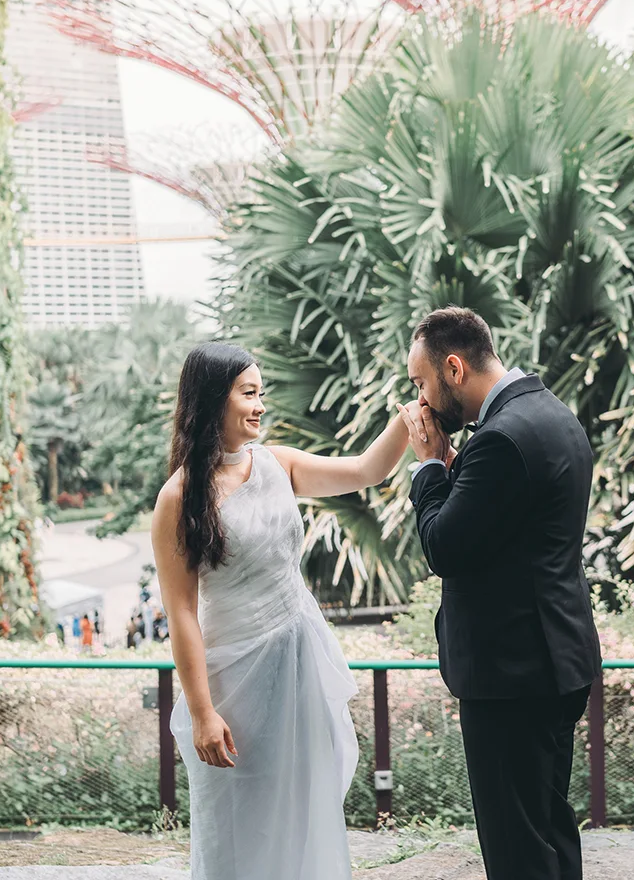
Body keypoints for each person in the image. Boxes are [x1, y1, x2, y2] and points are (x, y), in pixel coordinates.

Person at [152, 342, 414, 879]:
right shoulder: (177, 498)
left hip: (298, 667)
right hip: (233, 685)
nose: (260, 405)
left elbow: (367, 470)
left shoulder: (278, 465)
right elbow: (181, 613)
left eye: (261, 393)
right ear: (210, 400)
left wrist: (412, 416)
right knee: (236, 825)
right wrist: (203, 712)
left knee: (303, 810)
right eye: (248, 393)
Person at [400, 307, 602, 880]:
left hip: (512, 671)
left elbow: (445, 547)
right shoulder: (552, 415)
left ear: (454, 369)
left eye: (422, 382)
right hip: (554, 657)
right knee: (547, 827)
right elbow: (512, 531)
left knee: (516, 848)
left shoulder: (500, 440)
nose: (421, 399)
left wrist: (430, 468)